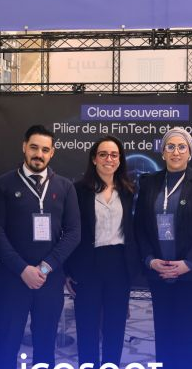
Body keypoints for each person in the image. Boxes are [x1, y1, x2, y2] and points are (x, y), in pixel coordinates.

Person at [0, 124, 80, 369]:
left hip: (48, 281)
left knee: (45, 346)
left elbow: (74, 233)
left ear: (52, 152)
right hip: (11, 279)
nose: (39, 154)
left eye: (45, 150)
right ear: (24, 147)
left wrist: (45, 267)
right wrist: (22, 269)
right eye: (34, 147)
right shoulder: (3, 184)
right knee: (6, 346)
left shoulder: (65, 187)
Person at [134, 127, 192, 369]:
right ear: (163, 153)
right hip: (159, 274)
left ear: (190, 153)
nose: (176, 152)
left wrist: (188, 263)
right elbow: (139, 227)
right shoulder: (149, 182)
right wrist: (150, 260)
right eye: (170, 147)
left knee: (189, 339)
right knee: (164, 336)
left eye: (182, 147)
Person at [65, 136, 138, 366]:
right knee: (86, 327)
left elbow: (132, 230)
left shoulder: (128, 190)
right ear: (94, 159)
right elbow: (69, 230)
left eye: (114, 155)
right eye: (103, 154)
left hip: (119, 265)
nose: (109, 159)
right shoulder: (78, 190)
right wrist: (68, 270)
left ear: (120, 160)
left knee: (115, 328)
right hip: (88, 265)